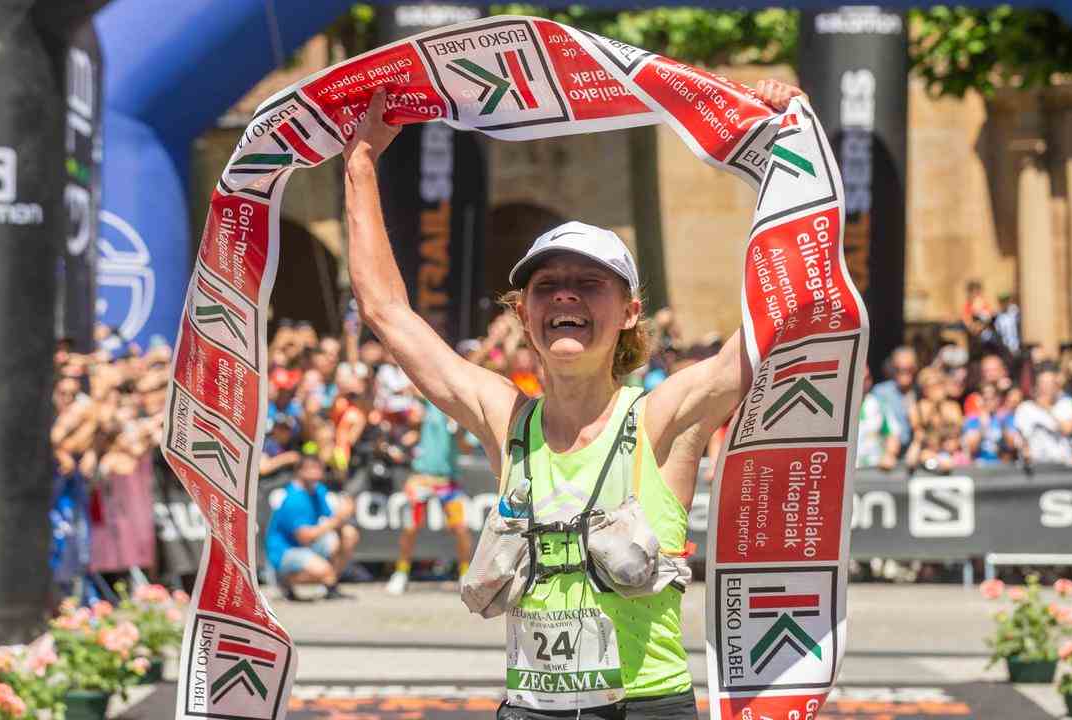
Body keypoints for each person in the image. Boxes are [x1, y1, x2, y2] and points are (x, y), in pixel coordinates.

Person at [341, 81, 805, 719]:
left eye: (589, 284)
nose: (565, 296)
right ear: (523, 314)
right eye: (546, 286)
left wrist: (786, 160)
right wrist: (362, 163)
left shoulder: (660, 419)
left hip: (644, 708)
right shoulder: (506, 420)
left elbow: (771, 334)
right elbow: (386, 312)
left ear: (629, 312)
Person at [386, 396, 473, 594]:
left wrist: (458, 430)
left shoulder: (463, 414)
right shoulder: (430, 403)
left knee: (460, 527)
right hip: (422, 478)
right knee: (410, 526)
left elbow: (467, 447)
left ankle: (464, 573)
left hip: (447, 480)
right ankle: (401, 572)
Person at [265, 453, 360, 601]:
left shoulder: (318, 490)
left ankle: (330, 585)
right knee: (324, 571)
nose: (316, 473)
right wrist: (338, 518)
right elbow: (304, 537)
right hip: (284, 551)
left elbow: (331, 519)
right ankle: (284, 581)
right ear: (299, 471)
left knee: (349, 534)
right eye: (311, 469)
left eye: (318, 469)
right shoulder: (293, 498)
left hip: (309, 544)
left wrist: (347, 511)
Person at [1013, 367, 1072, 465]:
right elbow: (1021, 437)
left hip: (1062, 465)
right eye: (1043, 384)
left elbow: (1068, 429)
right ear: (1036, 386)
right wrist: (1025, 450)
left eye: (1051, 384)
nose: (1047, 387)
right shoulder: (1025, 408)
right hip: (1035, 466)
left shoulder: (1066, 404)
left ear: (1057, 386)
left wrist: (1047, 408)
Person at [871, 346, 917, 455]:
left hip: (915, 456)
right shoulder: (880, 392)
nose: (904, 371)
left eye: (908, 368)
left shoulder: (921, 391)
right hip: (886, 455)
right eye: (899, 368)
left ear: (915, 368)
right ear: (892, 368)